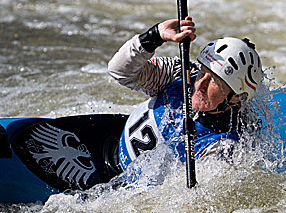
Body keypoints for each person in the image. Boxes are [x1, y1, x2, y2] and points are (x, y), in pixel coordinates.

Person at [107, 16, 264, 173]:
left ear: (236, 97)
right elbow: (119, 71)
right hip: (109, 143)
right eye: (203, 72)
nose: (199, 84)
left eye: (214, 82)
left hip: (123, 183)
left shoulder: (223, 147)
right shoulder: (180, 74)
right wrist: (155, 36)